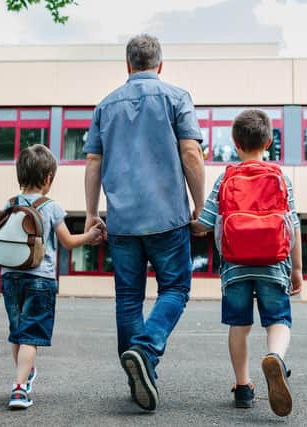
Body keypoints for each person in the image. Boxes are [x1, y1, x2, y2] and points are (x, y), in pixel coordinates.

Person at [83, 34, 205, 412]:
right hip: (167, 217)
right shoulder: (177, 97)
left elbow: (92, 163)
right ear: (160, 65)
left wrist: (91, 213)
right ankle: (146, 350)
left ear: (127, 65)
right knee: (175, 289)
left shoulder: (105, 105)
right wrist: (201, 207)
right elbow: (191, 152)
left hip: (121, 221)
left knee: (128, 299)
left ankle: (138, 372)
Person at [191, 109, 303, 417]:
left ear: (235, 142)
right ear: (268, 141)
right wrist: (297, 269)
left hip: (235, 267)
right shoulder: (280, 177)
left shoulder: (226, 177)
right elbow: (292, 225)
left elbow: (204, 223)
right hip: (274, 264)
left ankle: (243, 387)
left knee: (239, 326)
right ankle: (275, 357)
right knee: (278, 320)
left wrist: (191, 220)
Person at [1, 144, 105, 409]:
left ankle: (22, 375)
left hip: (10, 277)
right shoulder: (51, 207)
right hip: (40, 279)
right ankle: (19, 388)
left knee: (17, 332)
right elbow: (68, 242)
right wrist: (91, 236)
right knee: (31, 335)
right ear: (48, 178)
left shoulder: (10, 204)